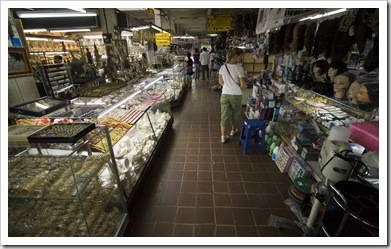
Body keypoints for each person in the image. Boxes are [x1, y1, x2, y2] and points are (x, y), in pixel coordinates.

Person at [218, 48, 247, 143]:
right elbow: (242, 85)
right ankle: (233, 131)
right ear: (235, 56)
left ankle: (223, 136)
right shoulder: (239, 68)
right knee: (236, 114)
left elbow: (220, 82)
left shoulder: (223, 67)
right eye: (240, 56)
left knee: (224, 115)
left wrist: (227, 86)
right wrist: (242, 86)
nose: (240, 58)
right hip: (236, 95)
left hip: (225, 94)